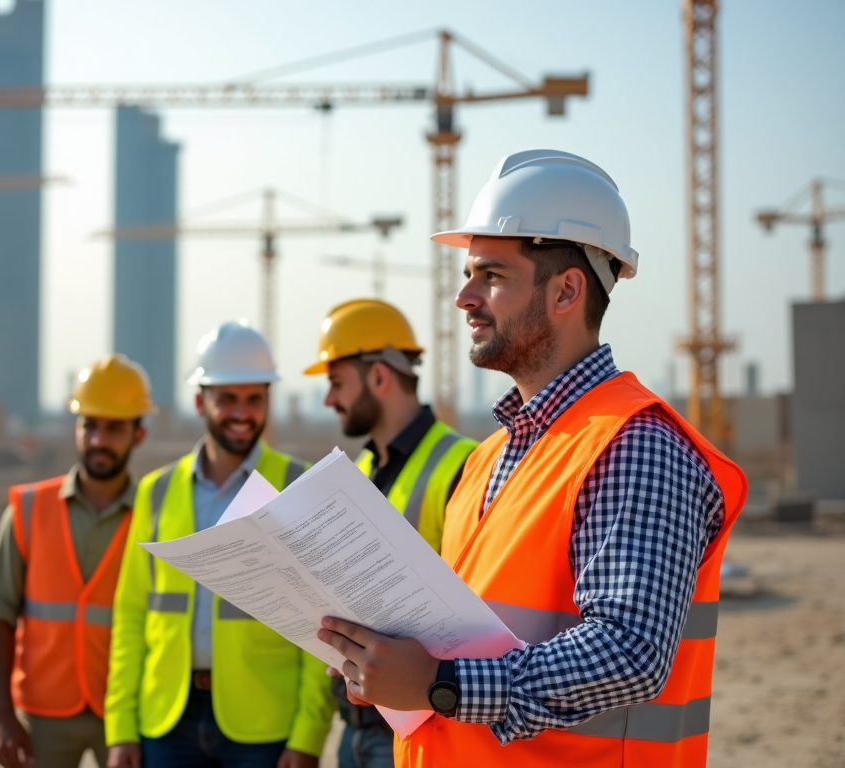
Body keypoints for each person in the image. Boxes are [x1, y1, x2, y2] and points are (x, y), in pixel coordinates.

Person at [316, 149, 747, 767]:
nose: (464, 297)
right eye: (468, 274)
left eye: (490, 274)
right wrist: (385, 659)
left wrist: (442, 685)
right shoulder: (490, 457)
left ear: (568, 290)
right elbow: (473, 630)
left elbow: (628, 653)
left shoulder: (635, 443)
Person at [105, 320, 334, 768]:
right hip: (166, 720)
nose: (242, 412)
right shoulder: (156, 491)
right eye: (227, 398)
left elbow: (320, 626)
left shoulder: (295, 485)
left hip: (264, 722)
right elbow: (131, 616)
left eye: (254, 399)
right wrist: (120, 729)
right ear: (199, 401)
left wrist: (308, 735)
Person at [303, 298, 476, 768]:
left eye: (336, 383)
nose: (329, 399)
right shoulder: (357, 471)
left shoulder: (464, 464)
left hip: (423, 728)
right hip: (356, 725)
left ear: (379, 376)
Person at [0, 354, 156, 768]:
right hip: (45, 715)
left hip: (129, 714)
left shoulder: (156, 515)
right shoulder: (28, 510)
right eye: (89, 424)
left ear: (138, 434)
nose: (98, 440)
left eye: (114, 427)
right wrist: (2, 714)